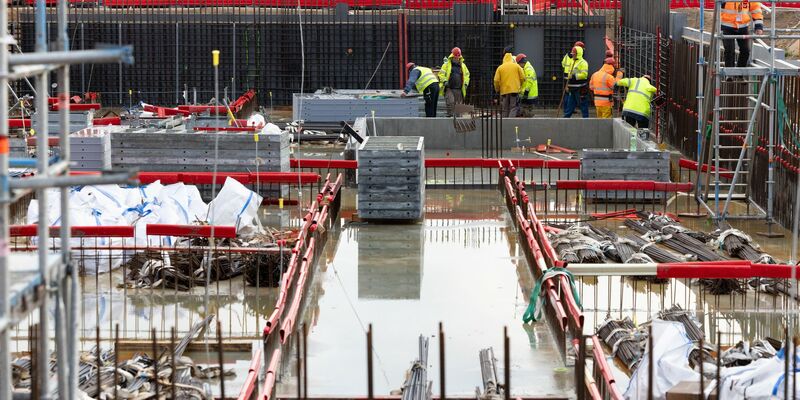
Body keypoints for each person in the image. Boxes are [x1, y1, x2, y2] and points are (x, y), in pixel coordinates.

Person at [721, 1, 763, 68]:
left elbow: (756, 10)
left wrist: (758, 26)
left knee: (745, 51)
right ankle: (730, 75)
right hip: (726, 27)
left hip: (743, 27)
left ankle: (739, 74)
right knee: (729, 50)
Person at [438, 47, 470, 117]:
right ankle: (450, 119)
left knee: (459, 107)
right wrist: (444, 81)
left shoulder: (463, 66)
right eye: (455, 57)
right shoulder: (446, 65)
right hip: (449, 88)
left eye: (458, 57)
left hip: (459, 89)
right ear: (452, 56)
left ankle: (458, 120)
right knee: (450, 103)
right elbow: (441, 74)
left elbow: (467, 75)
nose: (456, 59)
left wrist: (465, 83)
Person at [493, 50, 525, 117]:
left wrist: (497, 89)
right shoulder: (516, 66)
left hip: (504, 91)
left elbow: (496, 80)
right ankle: (510, 123)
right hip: (514, 90)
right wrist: (519, 85)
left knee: (505, 108)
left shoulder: (500, 68)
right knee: (513, 108)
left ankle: (504, 123)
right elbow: (523, 77)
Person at [563, 46, 590, 118]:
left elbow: (584, 75)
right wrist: (567, 85)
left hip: (580, 88)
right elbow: (569, 74)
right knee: (570, 105)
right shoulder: (572, 61)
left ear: (578, 54)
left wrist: (574, 76)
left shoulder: (583, 63)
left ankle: (586, 120)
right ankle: (565, 119)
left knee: (583, 105)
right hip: (572, 88)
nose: (572, 55)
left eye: (574, 54)